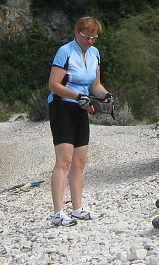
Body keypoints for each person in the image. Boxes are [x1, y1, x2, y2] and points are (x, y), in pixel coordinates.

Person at [46, 16, 112, 226]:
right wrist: (77, 96)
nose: (89, 41)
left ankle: (77, 208)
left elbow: (95, 85)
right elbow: (54, 84)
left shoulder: (94, 54)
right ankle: (57, 213)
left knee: (80, 162)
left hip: (81, 107)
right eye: (86, 36)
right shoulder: (65, 51)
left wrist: (107, 97)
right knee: (64, 161)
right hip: (62, 106)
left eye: (94, 37)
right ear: (76, 32)